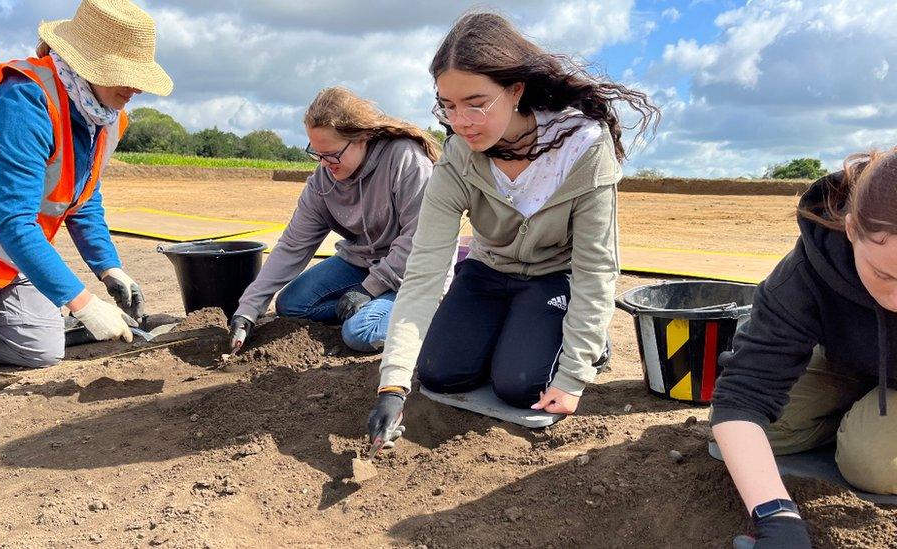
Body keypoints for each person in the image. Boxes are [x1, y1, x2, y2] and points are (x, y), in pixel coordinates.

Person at [365, 12, 659, 444]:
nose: (460, 121)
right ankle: (515, 332)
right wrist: (392, 385)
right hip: (488, 272)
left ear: (515, 90)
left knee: (521, 385)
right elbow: (425, 268)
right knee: (439, 374)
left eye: (475, 103)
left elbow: (597, 269)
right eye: (447, 106)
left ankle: (588, 345)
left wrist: (574, 375)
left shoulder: (583, 147)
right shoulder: (457, 158)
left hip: (552, 278)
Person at [0, 0, 173, 391]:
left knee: (41, 350)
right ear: (86, 63)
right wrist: (83, 304)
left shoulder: (106, 116)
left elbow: (83, 198)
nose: (136, 86)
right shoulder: (24, 99)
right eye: (124, 74)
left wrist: (108, 267)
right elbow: (15, 223)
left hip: (2, 253)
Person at [711, 149, 897, 548]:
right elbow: (741, 394)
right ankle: (857, 409)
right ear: (850, 230)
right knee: (754, 436)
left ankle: (866, 428)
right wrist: (776, 516)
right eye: (885, 275)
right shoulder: (809, 268)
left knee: (872, 463)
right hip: (847, 361)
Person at [228, 87, 439, 354]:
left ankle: (427, 312)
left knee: (361, 332)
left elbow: (420, 239)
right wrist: (248, 310)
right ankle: (379, 307)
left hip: (415, 270)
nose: (325, 164)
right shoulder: (323, 181)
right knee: (292, 305)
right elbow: (293, 245)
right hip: (363, 264)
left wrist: (369, 289)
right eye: (317, 154)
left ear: (362, 137)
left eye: (332, 154)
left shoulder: (404, 160)